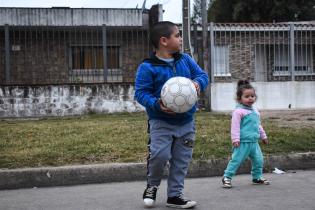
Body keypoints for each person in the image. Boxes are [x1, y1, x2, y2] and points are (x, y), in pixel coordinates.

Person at [134, 21, 208, 209]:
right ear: (164, 41)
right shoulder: (147, 67)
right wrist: (156, 104)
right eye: (178, 35)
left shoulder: (185, 60)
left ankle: (175, 196)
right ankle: (152, 185)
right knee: (159, 155)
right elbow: (140, 93)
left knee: (181, 160)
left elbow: (203, 75)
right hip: (161, 121)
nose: (181, 39)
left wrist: (198, 83)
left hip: (186, 121)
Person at [222, 79, 269, 188]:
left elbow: (258, 125)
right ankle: (226, 177)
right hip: (242, 142)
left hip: (254, 142)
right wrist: (235, 139)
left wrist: (263, 136)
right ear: (239, 99)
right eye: (247, 96)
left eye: (252, 96)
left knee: (259, 160)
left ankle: (257, 177)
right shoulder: (238, 112)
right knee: (236, 160)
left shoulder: (255, 111)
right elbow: (235, 127)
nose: (250, 98)